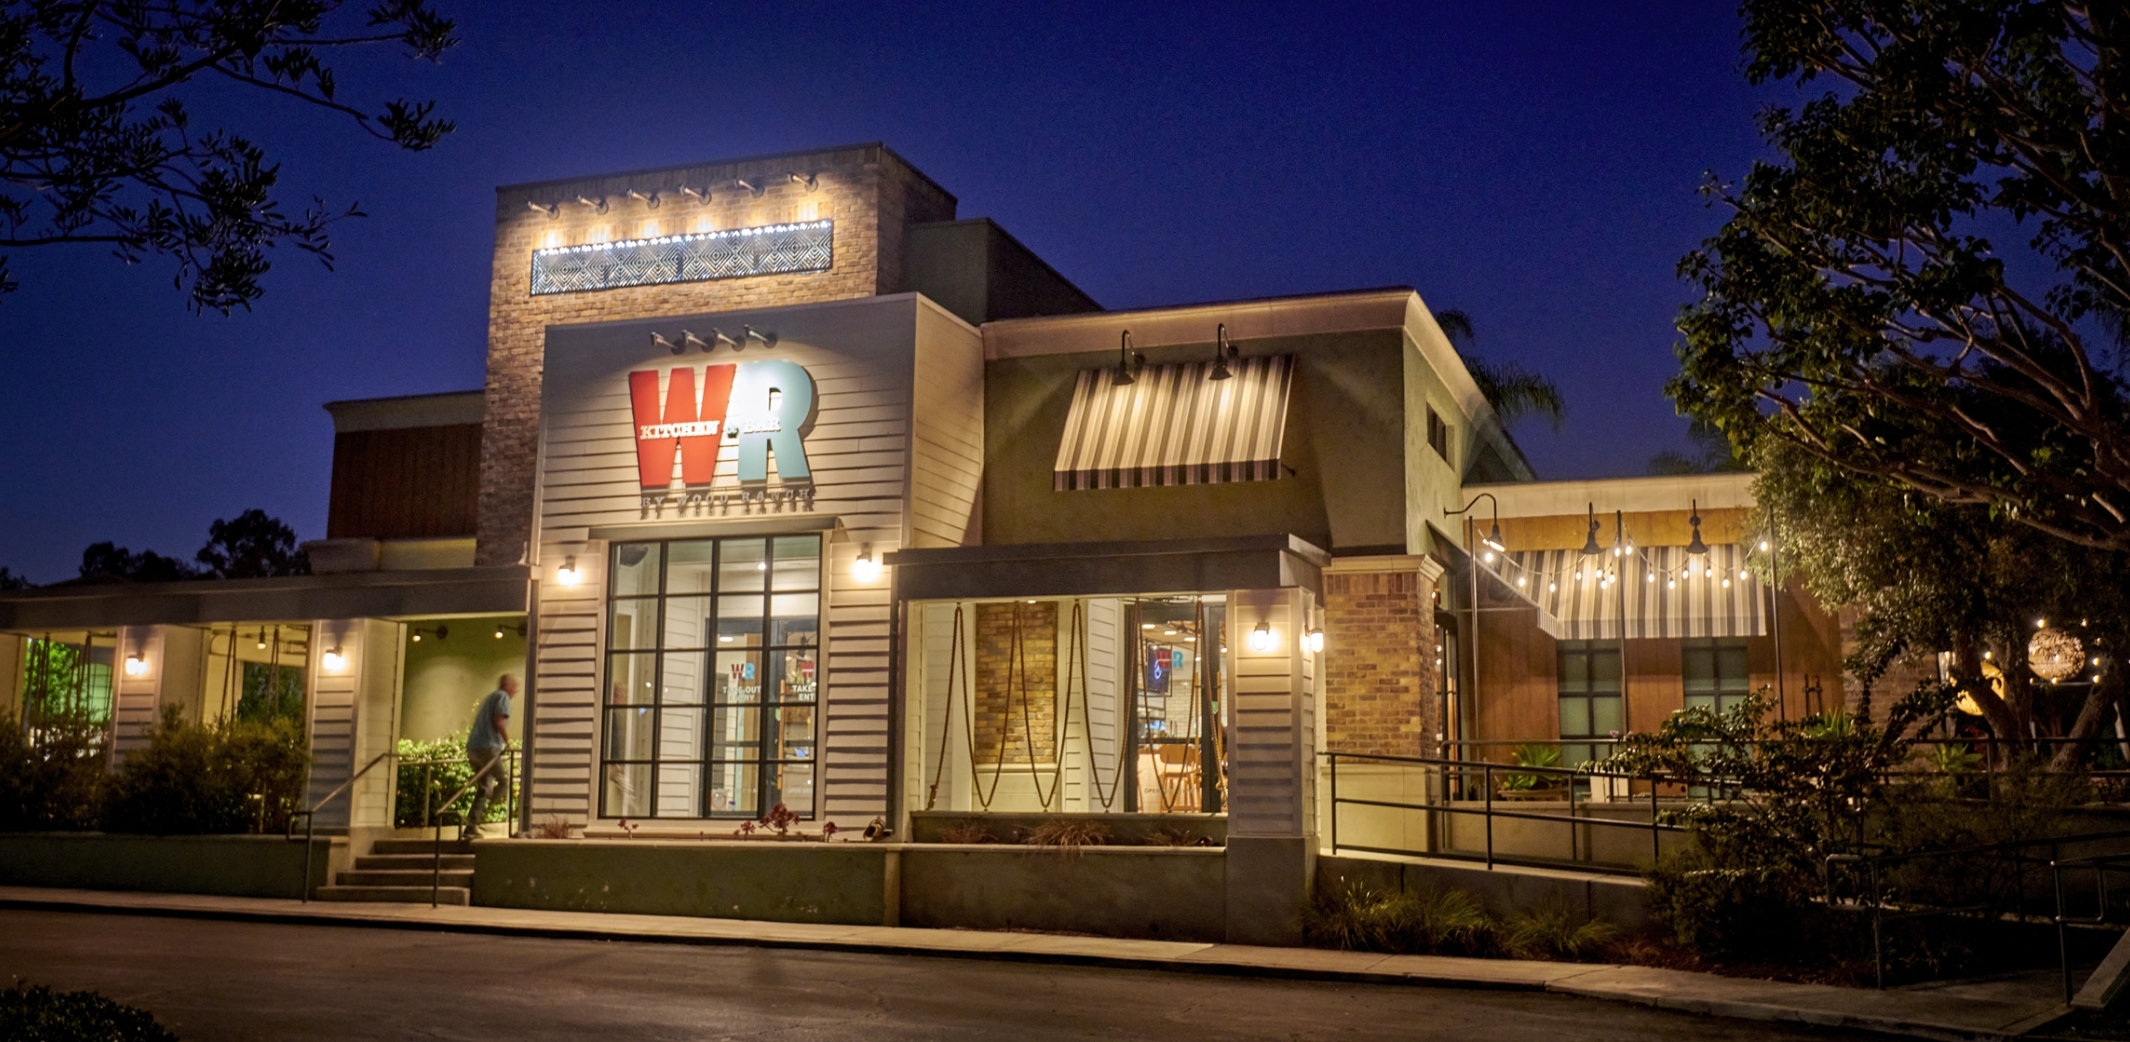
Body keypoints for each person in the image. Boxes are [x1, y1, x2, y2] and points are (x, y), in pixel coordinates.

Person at [463, 674, 517, 840]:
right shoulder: (503, 697)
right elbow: (499, 721)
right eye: (514, 686)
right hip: (487, 747)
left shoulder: (490, 698)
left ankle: (471, 826)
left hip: (473, 747)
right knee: (504, 781)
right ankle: (486, 813)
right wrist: (509, 743)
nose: (516, 690)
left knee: (484, 786)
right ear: (508, 686)